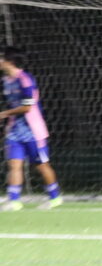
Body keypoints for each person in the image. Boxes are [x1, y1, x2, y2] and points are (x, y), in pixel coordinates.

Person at [1, 46, 62, 211]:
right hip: (15, 131)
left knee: (41, 165)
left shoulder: (25, 79)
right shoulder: (6, 81)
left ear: (10, 61)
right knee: (14, 165)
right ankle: (14, 201)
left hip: (33, 131)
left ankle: (55, 197)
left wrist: (5, 114)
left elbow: (27, 107)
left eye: (1, 57)